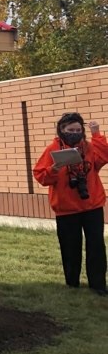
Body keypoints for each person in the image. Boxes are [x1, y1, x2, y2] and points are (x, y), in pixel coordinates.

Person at [33, 113, 108, 296]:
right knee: (70, 248)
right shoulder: (53, 149)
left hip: (92, 206)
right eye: (70, 130)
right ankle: (72, 284)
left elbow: (104, 156)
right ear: (62, 130)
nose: (74, 133)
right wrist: (54, 168)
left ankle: (98, 285)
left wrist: (97, 134)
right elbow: (41, 176)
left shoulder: (89, 147)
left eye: (78, 130)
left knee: (96, 246)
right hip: (66, 209)